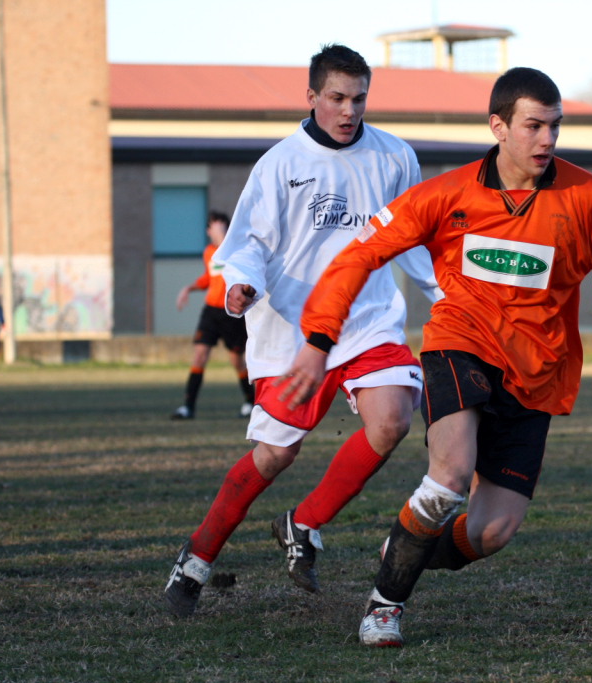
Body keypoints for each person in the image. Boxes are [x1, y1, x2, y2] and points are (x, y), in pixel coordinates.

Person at [282, 67, 592, 647]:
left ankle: (406, 548)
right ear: (499, 126)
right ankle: (385, 606)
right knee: (450, 474)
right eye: (534, 126)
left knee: (492, 532)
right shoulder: (447, 195)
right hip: (460, 342)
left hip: (538, 372)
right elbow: (359, 256)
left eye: (555, 127)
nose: (547, 140)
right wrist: (319, 340)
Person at [163, 44, 442, 617]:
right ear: (311, 96)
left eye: (359, 99)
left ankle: (304, 523)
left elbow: (413, 238)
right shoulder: (279, 164)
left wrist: (446, 293)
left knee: (392, 419)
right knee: (274, 456)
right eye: (336, 98)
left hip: (366, 321)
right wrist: (240, 283)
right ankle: (197, 556)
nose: (349, 111)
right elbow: (246, 246)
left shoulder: (394, 157)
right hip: (292, 332)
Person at [171, 210, 256, 420]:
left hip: (231, 313)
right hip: (211, 311)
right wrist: (188, 288)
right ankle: (188, 407)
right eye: (209, 227)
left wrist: (223, 238)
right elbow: (210, 278)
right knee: (199, 355)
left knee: (237, 360)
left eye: (213, 226)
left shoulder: (236, 248)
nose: (210, 231)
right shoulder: (209, 252)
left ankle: (250, 402)